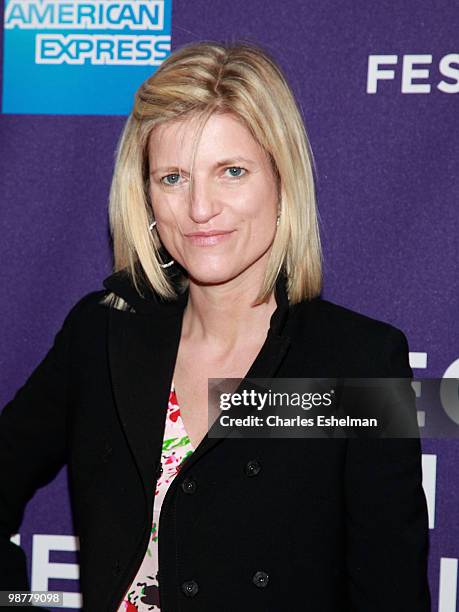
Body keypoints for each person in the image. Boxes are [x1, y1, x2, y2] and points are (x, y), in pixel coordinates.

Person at [0, 40, 431, 611]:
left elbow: (391, 595)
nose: (200, 208)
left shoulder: (359, 361)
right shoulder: (101, 335)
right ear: (146, 195)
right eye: (173, 178)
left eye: (231, 171)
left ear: (282, 183)